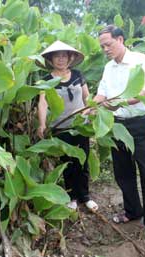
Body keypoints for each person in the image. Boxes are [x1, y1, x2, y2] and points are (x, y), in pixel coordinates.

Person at [94, 25, 145, 241]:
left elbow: (143, 92)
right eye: (102, 46)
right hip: (116, 124)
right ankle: (133, 211)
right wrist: (90, 106)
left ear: (120, 39)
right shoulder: (108, 68)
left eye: (108, 44)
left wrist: (118, 102)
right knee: (123, 171)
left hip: (137, 124)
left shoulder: (139, 61)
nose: (105, 49)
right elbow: (102, 93)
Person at [37, 40, 98, 211]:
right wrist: (41, 124)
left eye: (64, 56)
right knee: (67, 163)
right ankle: (71, 197)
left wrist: (92, 111)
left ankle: (85, 196)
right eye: (57, 56)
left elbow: (87, 97)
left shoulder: (78, 75)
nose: (61, 59)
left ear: (70, 58)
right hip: (60, 127)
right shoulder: (46, 80)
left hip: (80, 126)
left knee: (82, 160)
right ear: (50, 60)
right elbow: (43, 103)